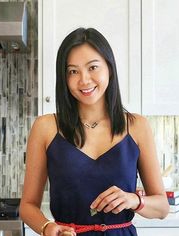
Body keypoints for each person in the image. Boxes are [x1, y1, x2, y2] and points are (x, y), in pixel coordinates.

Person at [19, 27, 169, 236]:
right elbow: (27, 205)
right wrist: (47, 227)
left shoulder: (138, 126)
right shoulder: (45, 127)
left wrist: (133, 199)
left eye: (93, 67)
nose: (84, 80)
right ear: (64, 78)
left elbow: (162, 208)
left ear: (109, 68)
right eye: (73, 71)